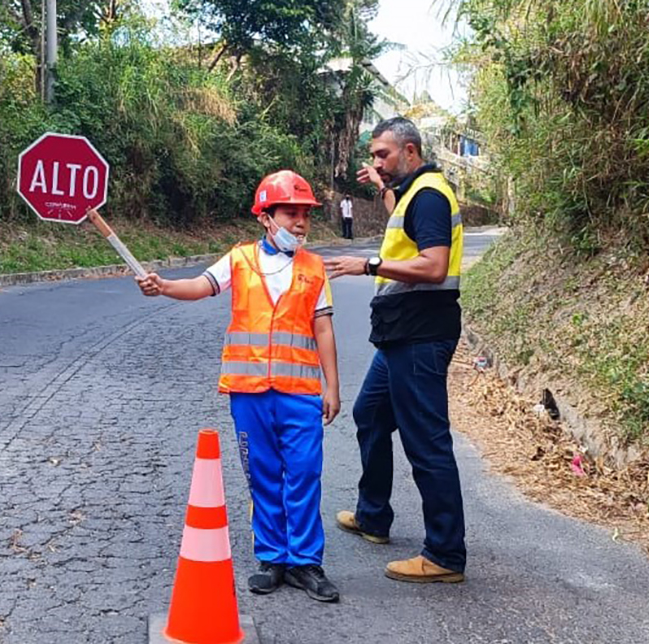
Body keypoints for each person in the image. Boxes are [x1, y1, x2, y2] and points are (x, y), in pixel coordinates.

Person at [136, 170, 342, 602]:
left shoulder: (314, 267)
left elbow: (322, 327)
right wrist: (165, 286)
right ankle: (272, 558)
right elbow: (200, 286)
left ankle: (306, 562)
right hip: (249, 393)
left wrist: (333, 386)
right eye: (291, 213)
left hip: (301, 393)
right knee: (263, 475)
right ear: (266, 217)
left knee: (304, 474)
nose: (301, 223)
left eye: (305, 214)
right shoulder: (239, 259)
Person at [324, 117, 467, 583]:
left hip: (421, 335)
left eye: (382, 155)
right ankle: (373, 516)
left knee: (426, 441)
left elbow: (433, 264)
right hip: (401, 334)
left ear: (410, 150)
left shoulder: (428, 196)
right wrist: (383, 186)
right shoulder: (413, 192)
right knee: (370, 414)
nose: (376, 162)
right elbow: (402, 228)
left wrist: (367, 264)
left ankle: (445, 554)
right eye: (372, 156)